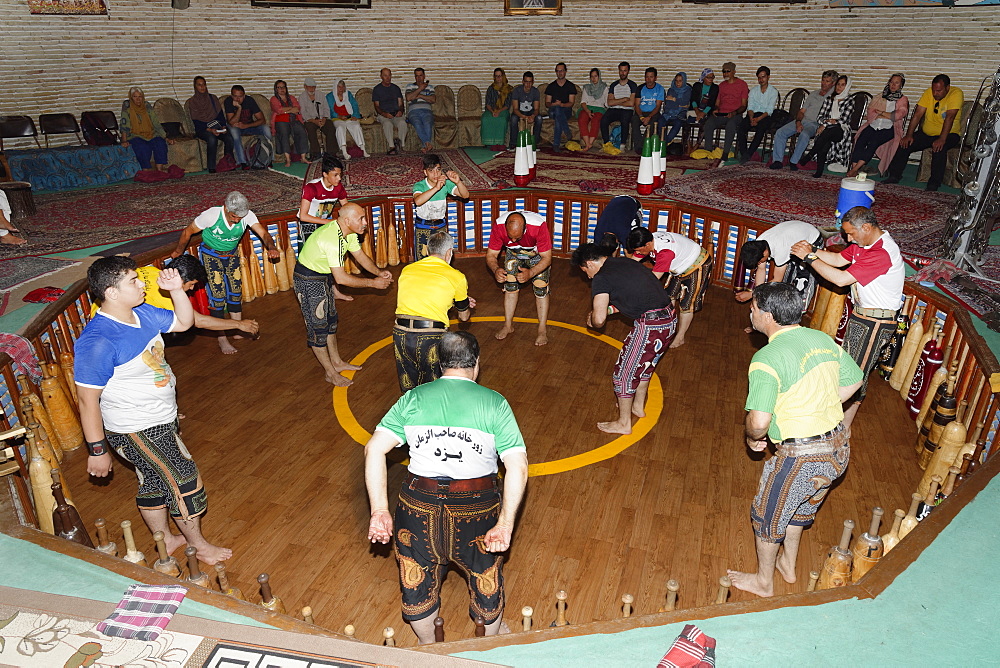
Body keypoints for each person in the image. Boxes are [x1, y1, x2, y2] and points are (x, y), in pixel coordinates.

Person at [365, 331, 528, 643]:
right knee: (485, 577)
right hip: (475, 509)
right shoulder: (495, 403)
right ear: (476, 364)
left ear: (439, 365)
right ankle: (488, 644)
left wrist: (380, 511)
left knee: (415, 578)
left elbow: (374, 449)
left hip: (418, 506)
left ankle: (431, 648)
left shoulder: (412, 398)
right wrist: (506, 524)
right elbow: (517, 466)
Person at [75, 256, 233, 566]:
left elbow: (185, 323)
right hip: (133, 427)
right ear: (111, 293)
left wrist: (177, 291)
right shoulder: (98, 341)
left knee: (153, 480)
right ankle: (198, 544)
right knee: (183, 478)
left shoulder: (142, 313)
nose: (142, 283)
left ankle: (168, 539)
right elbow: (86, 400)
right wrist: (96, 450)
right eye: (133, 281)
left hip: (162, 416)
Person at [727, 281, 862, 598]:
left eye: (755, 307)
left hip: (800, 457)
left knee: (768, 517)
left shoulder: (767, 358)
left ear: (769, 315)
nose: (751, 311)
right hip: (837, 449)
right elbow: (854, 380)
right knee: (799, 509)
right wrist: (819, 404)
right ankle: (787, 565)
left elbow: (759, 422)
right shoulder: (822, 339)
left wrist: (752, 438)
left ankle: (763, 582)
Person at [790, 206, 903, 431]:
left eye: (851, 234)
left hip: (876, 322)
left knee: (855, 374)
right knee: (850, 369)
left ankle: (837, 424)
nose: (847, 238)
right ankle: (840, 422)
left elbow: (841, 279)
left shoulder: (881, 253)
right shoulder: (864, 244)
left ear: (867, 227)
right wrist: (811, 249)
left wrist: (810, 258)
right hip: (863, 316)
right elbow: (838, 259)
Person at [573, 237, 676, 435]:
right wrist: (605, 312)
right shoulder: (624, 262)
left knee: (624, 373)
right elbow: (633, 296)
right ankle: (637, 407)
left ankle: (623, 423)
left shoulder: (602, 277)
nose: (588, 277)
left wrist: (593, 320)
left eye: (585, 271)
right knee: (645, 365)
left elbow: (599, 320)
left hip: (651, 325)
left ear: (589, 263)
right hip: (669, 320)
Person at [293, 202, 393, 386]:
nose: (365, 222)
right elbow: (341, 279)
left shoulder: (349, 233)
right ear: (347, 221)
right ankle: (330, 373)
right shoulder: (331, 238)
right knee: (318, 329)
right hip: (307, 280)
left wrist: (378, 272)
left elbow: (360, 257)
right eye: (361, 218)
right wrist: (373, 283)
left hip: (322, 277)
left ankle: (337, 363)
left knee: (330, 321)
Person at [169, 191, 278, 355]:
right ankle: (221, 338)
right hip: (211, 255)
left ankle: (238, 328)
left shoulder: (247, 216)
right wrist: (179, 251)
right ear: (225, 208)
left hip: (231, 255)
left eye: (239, 218)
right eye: (233, 217)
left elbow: (263, 233)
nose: (236, 221)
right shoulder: (211, 216)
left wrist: (272, 247)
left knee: (235, 290)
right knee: (217, 294)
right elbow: (187, 232)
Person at [89, 255, 260, 338]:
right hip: (113, 327)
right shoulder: (166, 296)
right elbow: (198, 321)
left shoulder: (152, 271)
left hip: (100, 313)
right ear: (181, 280)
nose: (192, 289)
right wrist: (239, 324)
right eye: (191, 284)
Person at [393, 231, 474, 392]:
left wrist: (450, 300)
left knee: (408, 387)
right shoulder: (456, 277)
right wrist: (460, 303)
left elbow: (422, 296)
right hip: (430, 335)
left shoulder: (407, 270)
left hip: (401, 333)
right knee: (434, 388)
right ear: (449, 253)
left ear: (427, 251)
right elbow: (464, 317)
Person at [625, 227, 713, 349]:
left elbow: (652, 281)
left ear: (648, 244)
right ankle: (668, 323)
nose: (639, 253)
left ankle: (680, 337)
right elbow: (633, 262)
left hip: (697, 264)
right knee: (668, 295)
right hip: (678, 265)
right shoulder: (648, 239)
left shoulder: (665, 252)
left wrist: (632, 292)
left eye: (640, 251)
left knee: (686, 304)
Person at [884, 74, 964, 191]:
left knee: (939, 148)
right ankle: (894, 175)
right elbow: (917, 115)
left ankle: (934, 183)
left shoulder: (956, 93)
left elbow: (950, 117)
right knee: (904, 144)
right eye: (934, 90)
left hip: (949, 134)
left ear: (947, 88)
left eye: (939, 91)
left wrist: (942, 139)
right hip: (926, 133)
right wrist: (909, 135)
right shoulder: (928, 93)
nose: (935, 93)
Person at [486, 211, 552, 346]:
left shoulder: (538, 226)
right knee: (510, 285)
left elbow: (547, 258)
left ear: (525, 228)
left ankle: (542, 330)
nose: (514, 240)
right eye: (511, 237)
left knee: (540, 286)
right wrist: (496, 269)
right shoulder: (498, 226)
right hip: (513, 253)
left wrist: (531, 273)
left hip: (537, 255)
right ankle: (508, 325)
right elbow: (491, 255)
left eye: (518, 237)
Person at [735, 220, 823, 306]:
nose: (759, 263)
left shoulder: (780, 250)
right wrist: (756, 298)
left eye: (760, 261)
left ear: (764, 253)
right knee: (786, 285)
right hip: (794, 238)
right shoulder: (759, 244)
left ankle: (798, 311)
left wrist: (752, 294)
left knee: (803, 285)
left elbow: (777, 279)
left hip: (811, 241)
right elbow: (761, 270)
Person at [770, 70, 838, 170]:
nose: (823, 83)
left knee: (805, 134)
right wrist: (798, 122)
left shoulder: (834, 97)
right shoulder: (814, 94)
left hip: (815, 124)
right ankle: (777, 161)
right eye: (823, 80)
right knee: (780, 132)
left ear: (833, 83)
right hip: (802, 120)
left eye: (827, 81)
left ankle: (794, 162)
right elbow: (802, 111)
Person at [847, 74, 908, 178]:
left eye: (896, 83)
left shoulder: (902, 99)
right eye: (891, 82)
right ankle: (855, 168)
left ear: (901, 85)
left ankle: (855, 169)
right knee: (861, 139)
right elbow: (871, 113)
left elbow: (899, 115)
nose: (893, 85)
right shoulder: (880, 96)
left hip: (889, 128)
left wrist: (882, 113)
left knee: (873, 142)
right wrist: (887, 114)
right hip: (873, 125)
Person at [412, 154, 470, 260]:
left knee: (441, 259)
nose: (435, 174)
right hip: (423, 226)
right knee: (423, 259)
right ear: (425, 172)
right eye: (431, 171)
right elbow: (418, 201)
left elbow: (465, 195)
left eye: (438, 170)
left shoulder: (446, 184)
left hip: (440, 226)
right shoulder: (420, 185)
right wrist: (436, 188)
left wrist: (458, 182)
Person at [799, 75, 854, 177]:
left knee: (828, 132)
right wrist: (827, 123)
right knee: (825, 138)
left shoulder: (849, 100)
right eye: (838, 84)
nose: (839, 87)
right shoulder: (829, 98)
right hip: (827, 128)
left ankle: (811, 154)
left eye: (842, 85)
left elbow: (843, 120)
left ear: (847, 87)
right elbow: (820, 117)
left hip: (841, 129)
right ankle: (819, 170)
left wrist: (825, 123)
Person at [120, 87, 175, 173]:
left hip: (151, 134)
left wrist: (165, 138)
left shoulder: (147, 107)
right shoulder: (127, 109)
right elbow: (124, 125)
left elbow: (156, 124)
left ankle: (159, 169)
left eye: (140, 96)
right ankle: (146, 170)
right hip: (135, 135)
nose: (138, 99)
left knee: (160, 143)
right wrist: (124, 141)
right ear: (131, 98)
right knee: (142, 147)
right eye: (135, 97)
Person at [186, 76, 235, 173]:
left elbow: (220, 115)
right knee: (212, 138)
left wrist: (223, 127)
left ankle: (228, 163)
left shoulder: (213, 98)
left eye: (204, 84)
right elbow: (196, 122)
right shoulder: (192, 102)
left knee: (229, 137)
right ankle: (211, 167)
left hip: (216, 126)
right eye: (199, 85)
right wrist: (210, 130)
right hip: (203, 129)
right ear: (195, 87)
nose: (202, 87)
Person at [701, 62, 749, 160]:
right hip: (722, 114)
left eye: (728, 71)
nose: (725, 74)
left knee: (731, 125)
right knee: (709, 123)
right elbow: (717, 103)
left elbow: (744, 105)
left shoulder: (742, 84)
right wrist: (716, 109)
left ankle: (725, 153)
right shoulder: (721, 85)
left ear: (734, 72)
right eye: (724, 71)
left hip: (736, 114)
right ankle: (708, 151)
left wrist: (734, 113)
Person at [297, 154, 349, 244]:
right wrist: (329, 222)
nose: (339, 178)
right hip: (308, 223)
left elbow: (347, 207)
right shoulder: (312, 187)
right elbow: (303, 216)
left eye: (340, 175)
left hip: (326, 221)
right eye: (335, 175)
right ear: (325, 174)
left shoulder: (338, 187)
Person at [224, 85, 273, 168]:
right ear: (231, 96)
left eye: (240, 96)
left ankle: (268, 159)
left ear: (244, 95)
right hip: (236, 128)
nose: (237, 99)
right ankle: (242, 162)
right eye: (235, 96)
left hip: (249, 126)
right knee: (234, 131)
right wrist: (239, 108)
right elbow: (232, 122)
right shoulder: (228, 101)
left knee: (266, 129)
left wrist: (246, 125)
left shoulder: (249, 100)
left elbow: (262, 120)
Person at [737, 66, 779, 163]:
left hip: (764, 116)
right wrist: (752, 118)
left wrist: (758, 119)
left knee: (761, 129)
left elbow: (769, 110)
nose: (761, 80)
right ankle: (744, 153)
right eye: (759, 78)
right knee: (741, 127)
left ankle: (749, 153)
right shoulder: (753, 90)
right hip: (753, 114)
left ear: (768, 77)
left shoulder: (773, 91)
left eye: (763, 77)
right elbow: (750, 107)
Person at [601, 61, 639, 155]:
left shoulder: (632, 85)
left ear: (628, 71)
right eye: (621, 71)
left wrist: (617, 101)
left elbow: (631, 103)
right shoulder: (614, 85)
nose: (622, 73)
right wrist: (624, 99)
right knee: (603, 120)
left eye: (624, 71)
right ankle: (607, 144)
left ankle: (622, 145)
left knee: (625, 119)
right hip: (614, 109)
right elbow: (610, 102)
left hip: (627, 110)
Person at [270, 80, 309, 168]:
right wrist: (291, 109)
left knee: (302, 131)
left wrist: (285, 110)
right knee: (284, 132)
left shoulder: (291, 97)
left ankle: (303, 157)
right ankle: (288, 159)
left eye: (283, 87)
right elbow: (278, 110)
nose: (282, 89)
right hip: (280, 121)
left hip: (293, 120)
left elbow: (297, 108)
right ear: (276, 89)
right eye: (279, 87)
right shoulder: (274, 99)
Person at [326, 79, 369, 160]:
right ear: (335, 87)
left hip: (349, 117)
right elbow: (329, 110)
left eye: (342, 87)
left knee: (356, 126)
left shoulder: (348, 94)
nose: (341, 89)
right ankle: (344, 152)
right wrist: (338, 116)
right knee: (340, 128)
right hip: (337, 118)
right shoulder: (330, 96)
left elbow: (354, 105)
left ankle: (363, 150)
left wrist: (355, 115)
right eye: (339, 87)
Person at [299, 77, 339, 161]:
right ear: (305, 87)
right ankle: (316, 153)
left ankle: (331, 153)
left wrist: (324, 119)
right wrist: (314, 121)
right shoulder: (302, 97)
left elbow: (326, 108)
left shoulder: (320, 95)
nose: (312, 89)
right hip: (311, 120)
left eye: (313, 87)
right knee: (309, 128)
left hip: (322, 118)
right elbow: (303, 113)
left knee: (330, 126)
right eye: (310, 87)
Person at [372, 68, 407, 155]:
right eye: (385, 75)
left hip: (396, 113)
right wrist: (384, 114)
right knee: (387, 124)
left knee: (403, 123)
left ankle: (401, 146)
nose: (388, 78)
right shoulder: (377, 89)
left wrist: (401, 111)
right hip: (384, 114)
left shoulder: (396, 88)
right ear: (381, 77)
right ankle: (392, 146)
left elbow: (401, 104)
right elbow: (376, 106)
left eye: (389, 75)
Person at [544, 63, 576, 152]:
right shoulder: (551, 86)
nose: (560, 73)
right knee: (557, 110)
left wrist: (561, 105)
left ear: (565, 71)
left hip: (566, 110)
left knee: (558, 115)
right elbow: (547, 103)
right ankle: (567, 131)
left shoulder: (570, 86)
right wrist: (554, 104)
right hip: (553, 110)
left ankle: (556, 144)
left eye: (561, 70)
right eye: (558, 71)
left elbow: (571, 103)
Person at [632, 67, 665, 152]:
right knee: (634, 121)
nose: (649, 79)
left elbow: (658, 106)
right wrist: (641, 117)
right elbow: (637, 105)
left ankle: (643, 146)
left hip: (653, 113)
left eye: (651, 77)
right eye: (647, 77)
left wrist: (649, 117)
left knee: (653, 123)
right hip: (641, 112)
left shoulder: (660, 89)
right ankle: (638, 146)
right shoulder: (640, 88)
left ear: (655, 78)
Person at [508, 71, 542, 150]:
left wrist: (533, 116)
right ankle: (513, 144)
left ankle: (535, 143)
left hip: (531, 112)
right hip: (519, 112)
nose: (528, 85)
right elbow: (515, 109)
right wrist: (524, 117)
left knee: (539, 119)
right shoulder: (517, 91)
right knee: (513, 119)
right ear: (523, 82)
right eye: (526, 82)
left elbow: (536, 109)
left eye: (530, 82)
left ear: (533, 82)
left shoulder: (535, 91)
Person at [405, 68, 436, 153]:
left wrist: (419, 96)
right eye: (417, 76)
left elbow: (433, 99)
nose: (419, 78)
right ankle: (427, 143)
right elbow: (408, 98)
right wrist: (420, 89)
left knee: (427, 122)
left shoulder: (430, 87)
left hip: (427, 111)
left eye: (420, 76)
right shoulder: (410, 86)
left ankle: (424, 146)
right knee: (417, 123)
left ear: (424, 76)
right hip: (413, 111)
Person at [577, 68, 607, 152]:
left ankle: (589, 144)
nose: (594, 79)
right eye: (592, 77)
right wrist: (587, 111)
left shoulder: (604, 88)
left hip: (599, 109)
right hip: (587, 108)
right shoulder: (587, 88)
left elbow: (606, 103)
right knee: (582, 118)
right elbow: (583, 102)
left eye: (596, 76)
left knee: (596, 120)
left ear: (599, 76)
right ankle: (588, 144)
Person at [481, 68, 512, 149]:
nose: (498, 78)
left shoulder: (508, 89)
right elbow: (488, 103)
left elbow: (507, 105)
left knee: (501, 119)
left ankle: (500, 143)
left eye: (500, 76)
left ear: (503, 76)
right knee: (485, 119)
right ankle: (488, 142)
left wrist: (498, 111)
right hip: (491, 110)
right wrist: (492, 111)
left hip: (503, 110)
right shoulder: (491, 88)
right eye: (496, 76)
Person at [661, 72, 692, 146]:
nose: (678, 83)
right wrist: (680, 104)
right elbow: (668, 104)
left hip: (681, 113)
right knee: (660, 121)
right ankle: (664, 140)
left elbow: (685, 101)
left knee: (678, 123)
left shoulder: (688, 90)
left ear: (684, 81)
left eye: (680, 81)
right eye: (676, 80)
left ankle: (665, 142)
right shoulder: (671, 90)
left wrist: (674, 99)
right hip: (669, 112)